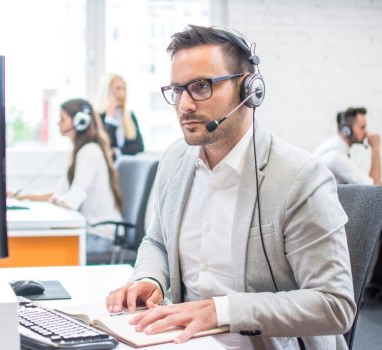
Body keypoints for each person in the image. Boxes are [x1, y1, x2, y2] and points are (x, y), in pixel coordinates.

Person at [106, 25, 355, 350]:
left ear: (249, 89)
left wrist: (220, 311)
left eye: (200, 87)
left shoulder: (300, 177)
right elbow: (157, 242)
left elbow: (335, 304)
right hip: (182, 340)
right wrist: (150, 278)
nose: (184, 106)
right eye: (177, 90)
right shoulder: (174, 161)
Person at [9, 98, 122, 255]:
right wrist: (21, 196)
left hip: (100, 237)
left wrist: (57, 200)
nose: (58, 124)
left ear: (80, 122)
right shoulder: (79, 152)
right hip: (91, 233)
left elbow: (73, 198)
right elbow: (59, 192)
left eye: (62, 119)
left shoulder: (89, 152)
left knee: (43, 249)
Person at [314, 107, 381, 185]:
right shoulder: (335, 156)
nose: (366, 133)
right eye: (362, 127)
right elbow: (373, 188)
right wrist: (375, 148)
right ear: (347, 130)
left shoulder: (334, 148)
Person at [95, 74, 144, 159]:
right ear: (107, 92)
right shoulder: (97, 117)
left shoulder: (130, 116)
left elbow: (139, 146)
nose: (122, 93)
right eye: (118, 88)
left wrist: (117, 152)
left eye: (124, 89)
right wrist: (110, 118)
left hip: (126, 166)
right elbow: (104, 147)